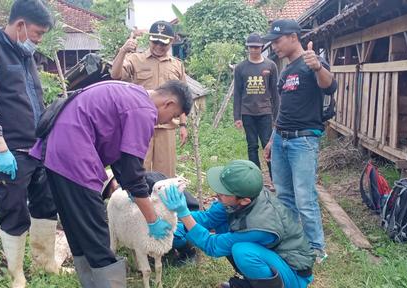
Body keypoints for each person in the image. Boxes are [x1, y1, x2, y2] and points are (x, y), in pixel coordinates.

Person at [29, 80, 193, 287]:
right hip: (74, 156)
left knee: (78, 229)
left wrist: (131, 190)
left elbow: (119, 155)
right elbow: (132, 169)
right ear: (168, 104)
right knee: (96, 233)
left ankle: (90, 283)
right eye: (174, 116)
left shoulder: (131, 93)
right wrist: (152, 218)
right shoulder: (144, 110)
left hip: (55, 152)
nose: (171, 121)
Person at [0, 1, 59, 287]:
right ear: (20, 25)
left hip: (36, 149)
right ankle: (16, 274)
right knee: (14, 210)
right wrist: (0, 148)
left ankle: (45, 262)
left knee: (45, 203)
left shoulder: (24, 55)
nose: (39, 39)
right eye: (37, 33)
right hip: (9, 153)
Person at [160, 160, 315, 288]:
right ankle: (251, 282)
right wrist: (170, 221)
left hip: (293, 273)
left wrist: (183, 212)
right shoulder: (242, 196)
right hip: (273, 257)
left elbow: (212, 245)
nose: (216, 194)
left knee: (243, 251)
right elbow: (207, 218)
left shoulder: (259, 226)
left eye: (223, 192)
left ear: (244, 200)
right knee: (223, 225)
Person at [262, 19, 338, 263]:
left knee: (305, 198)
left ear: (294, 36)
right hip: (282, 139)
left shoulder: (311, 63)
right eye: (272, 42)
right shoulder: (286, 70)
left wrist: (317, 67)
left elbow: (330, 86)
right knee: (284, 195)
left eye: (277, 41)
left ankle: (316, 248)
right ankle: (292, 241)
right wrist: (272, 139)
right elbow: (283, 110)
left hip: (303, 141)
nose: (274, 47)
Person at [111, 20, 188, 178]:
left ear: (171, 41)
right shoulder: (135, 59)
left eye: (163, 43)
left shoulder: (177, 65)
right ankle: (139, 201)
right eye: (155, 41)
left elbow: (182, 96)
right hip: (140, 126)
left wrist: (183, 124)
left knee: (166, 175)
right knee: (139, 170)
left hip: (167, 127)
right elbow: (115, 75)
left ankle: (163, 202)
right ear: (149, 39)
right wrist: (123, 50)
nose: (158, 46)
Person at [233, 33, 278, 175]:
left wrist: (276, 117)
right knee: (252, 146)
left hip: (265, 112)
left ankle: (274, 178)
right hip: (247, 113)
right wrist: (237, 117)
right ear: (247, 48)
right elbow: (238, 93)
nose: (253, 50)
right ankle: (255, 180)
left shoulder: (270, 65)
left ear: (262, 48)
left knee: (268, 145)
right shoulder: (241, 67)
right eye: (251, 47)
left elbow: (275, 93)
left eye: (256, 47)